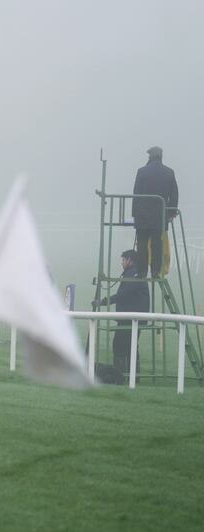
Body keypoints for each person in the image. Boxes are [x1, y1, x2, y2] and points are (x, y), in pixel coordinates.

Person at [92, 250, 150, 381]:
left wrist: (103, 302)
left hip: (130, 318)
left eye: (123, 260)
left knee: (119, 346)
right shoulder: (135, 273)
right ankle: (132, 377)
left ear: (129, 260)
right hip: (132, 317)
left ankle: (119, 376)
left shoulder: (132, 274)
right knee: (130, 346)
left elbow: (122, 295)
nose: (122, 263)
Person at [132, 146, 178, 278]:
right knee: (157, 243)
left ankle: (141, 272)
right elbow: (174, 194)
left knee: (142, 243)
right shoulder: (169, 172)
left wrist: (134, 214)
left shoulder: (141, 171)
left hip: (143, 215)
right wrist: (172, 212)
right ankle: (155, 271)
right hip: (160, 215)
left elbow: (136, 194)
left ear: (150, 157)